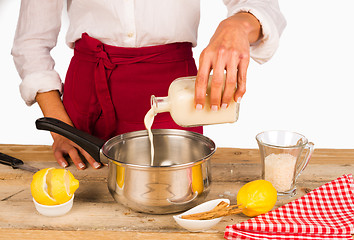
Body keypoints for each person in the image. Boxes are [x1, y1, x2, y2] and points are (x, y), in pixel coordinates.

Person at [12, 0, 286, 170]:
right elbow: (31, 42)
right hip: (86, 97)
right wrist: (60, 128)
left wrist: (239, 24)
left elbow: (262, 6)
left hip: (173, 91)